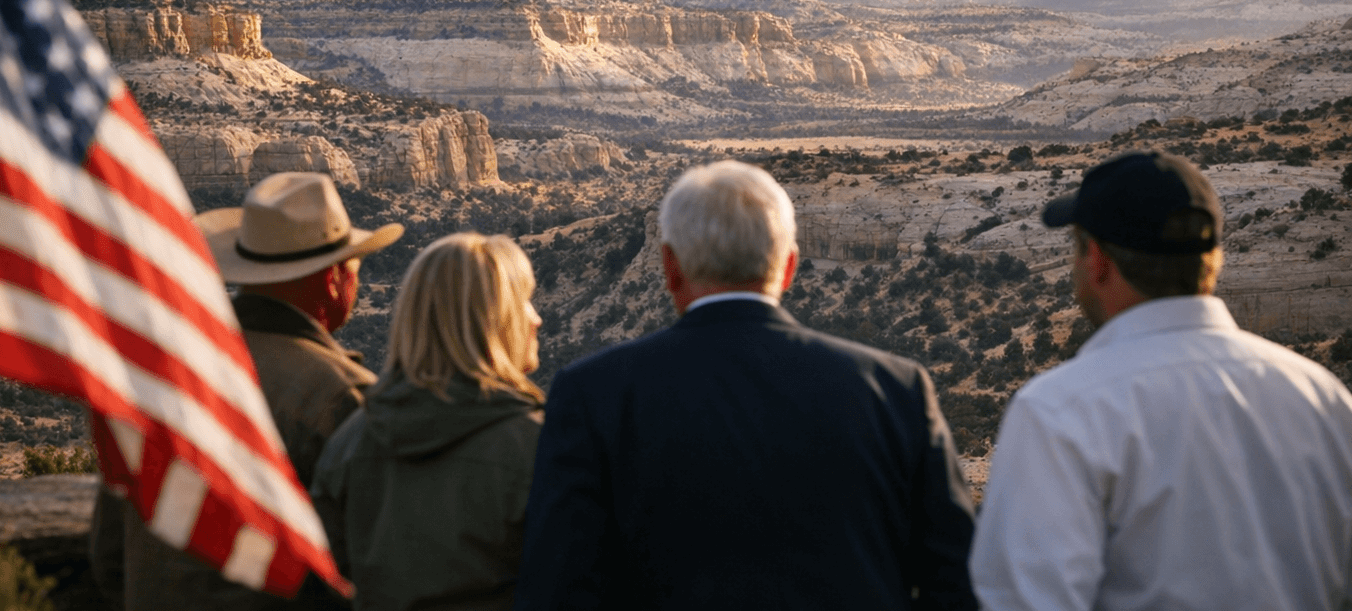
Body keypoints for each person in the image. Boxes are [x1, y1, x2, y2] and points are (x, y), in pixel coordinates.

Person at [513, 160, 977, 611]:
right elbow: (956, 580)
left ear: (670, 267)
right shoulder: (896, 390)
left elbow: (557, 587)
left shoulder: (592, 395)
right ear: (789, 266)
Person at [971, 150, 1352, 610]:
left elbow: (1026, 600)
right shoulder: (1323, 398)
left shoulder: (1061, 412)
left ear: (1097, 260)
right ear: (1214, 259)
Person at [92, 171, 403, 611]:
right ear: (333, 280)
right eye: (354, 265)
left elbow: (108, 557)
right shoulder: (341, 398)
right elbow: (368, 569)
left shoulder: (158, 374)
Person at [311, 232, 546, 611]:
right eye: (524, 302)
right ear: (492, 321)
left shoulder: (349, 444)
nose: (537, 318)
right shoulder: (536, 446)